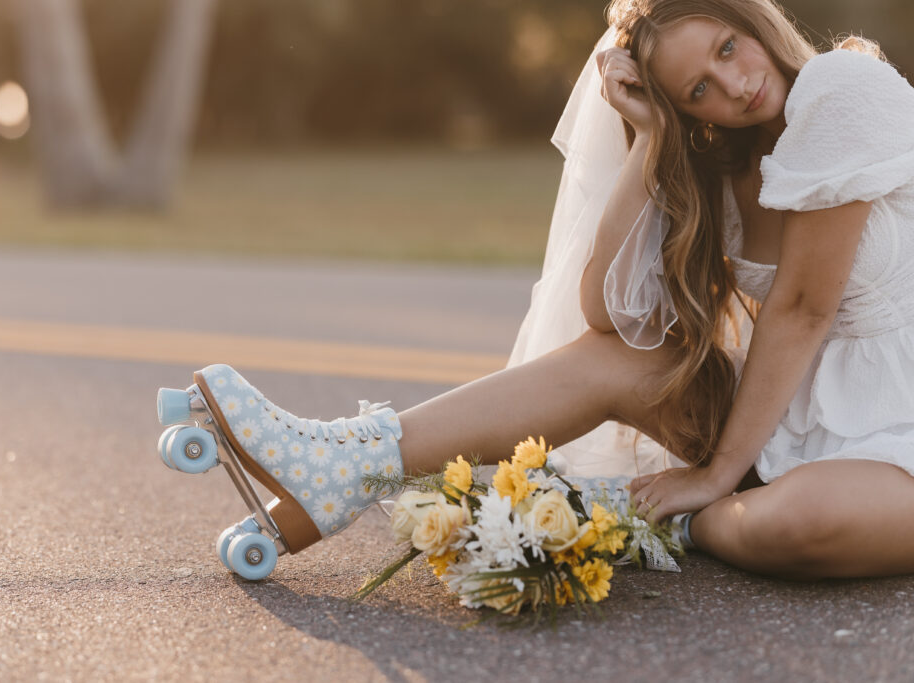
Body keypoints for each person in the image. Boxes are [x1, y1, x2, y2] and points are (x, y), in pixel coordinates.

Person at [203, 0, 914, 579]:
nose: (734, 85)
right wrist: (647, 139)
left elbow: (804, 307)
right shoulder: (723, 168)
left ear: (753, 21)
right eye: (698, 89)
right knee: (617, 356)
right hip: (781, 424)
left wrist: (713, 475)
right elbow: (610, 314)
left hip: (892, 432)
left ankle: (647, 517)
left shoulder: (841, 89)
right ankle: (346, 460)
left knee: (802, 523)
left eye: (728, 48)